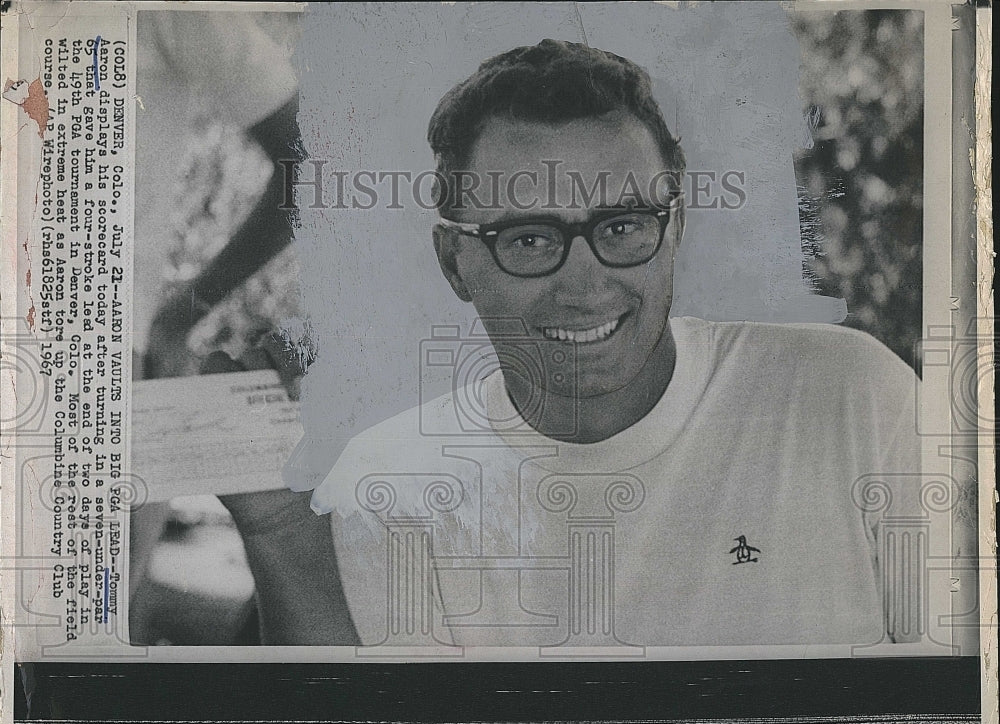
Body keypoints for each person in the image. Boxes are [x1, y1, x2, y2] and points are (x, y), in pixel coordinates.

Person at [229, 40, 922, 648]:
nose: (584, 284)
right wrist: (283, 535)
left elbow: (968, 707)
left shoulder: (854, 398)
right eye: (528, 239)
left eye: (622, 226)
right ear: (454, 261)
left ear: (674, 229)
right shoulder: (391, 486)